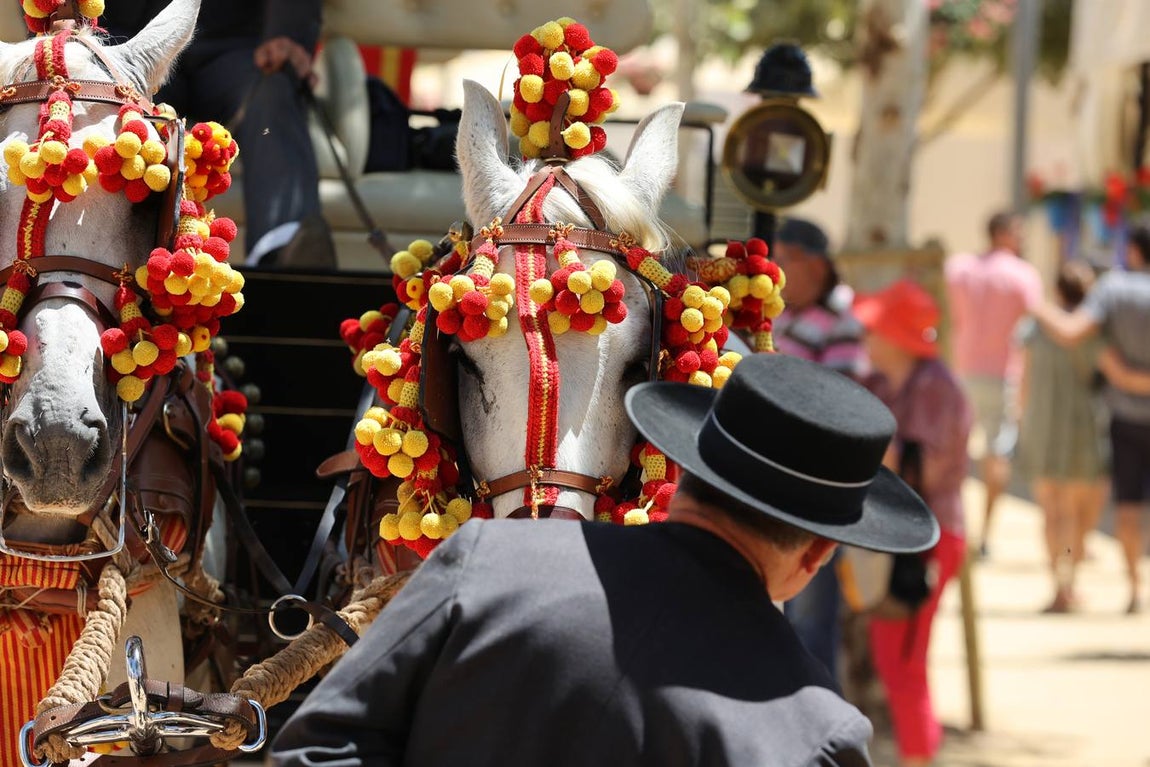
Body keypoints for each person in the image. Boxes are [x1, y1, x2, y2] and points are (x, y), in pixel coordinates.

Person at [271, 353, 940, 767]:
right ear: (820, 552)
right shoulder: (817, 733)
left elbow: (318, 746)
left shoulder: (488, 559)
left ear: (682, 467)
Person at [101, 0, 337, 268]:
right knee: (117, 110)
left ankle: (285, 253)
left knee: (274, 93)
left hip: (233, 47)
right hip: (127, 41)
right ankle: (112, 263)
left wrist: (287, 35)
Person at [852, 279, 972, 767]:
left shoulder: (936, 388)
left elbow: (915, 466)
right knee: (894, 659)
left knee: (906, 662)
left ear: (897, 337)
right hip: (896, 534)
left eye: (876, 328)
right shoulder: (883, 382)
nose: (866, 337)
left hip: (931, 538)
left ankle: (918, 757)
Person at [1034, 224, 1150, 614]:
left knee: (1118, 510)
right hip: (1092, 427)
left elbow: (1070, 334)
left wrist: (1031, 303)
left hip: (1106, 422)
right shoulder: (1101, 330)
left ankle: (1124, 588)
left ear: (1132, 250)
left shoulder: (1111, 292)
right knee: (1080, 512)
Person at [771, 216, 866, 682]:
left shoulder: (841, 324)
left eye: (784, 259)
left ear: (815, 266)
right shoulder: (778, 315)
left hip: (812, 488)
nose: (777, 268)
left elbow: (840, 404)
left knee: (811, 619)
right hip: (774, 482)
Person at [944, 211, 1042, 557]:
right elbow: (1034, 326)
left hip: (961, 371)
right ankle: (984, 535)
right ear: (1004, 233)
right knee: (997, 456)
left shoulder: (959, 268)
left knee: (956, 453)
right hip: (1003, 375)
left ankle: (957, 527)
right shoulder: (1023, 275)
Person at [1014, 261, 1108, 613]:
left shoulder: (1034, 327)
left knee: (1051, 512)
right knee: (1075, 512)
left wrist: (1022, 420)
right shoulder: (1095, 330)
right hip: (1082, 425)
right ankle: (1070, 583)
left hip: (1043, 423)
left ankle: (1058, 585)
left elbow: (1023, 377)